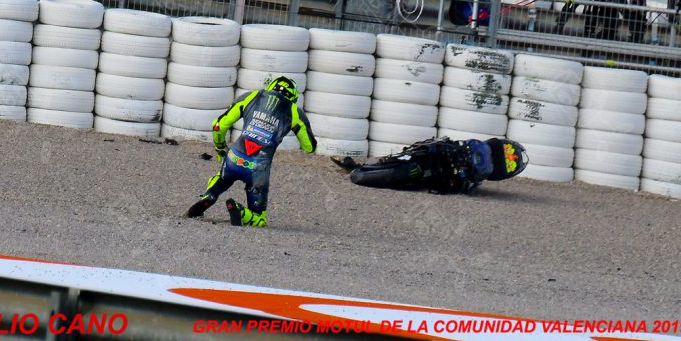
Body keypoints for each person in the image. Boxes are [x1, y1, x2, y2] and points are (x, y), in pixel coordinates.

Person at [185, 76, 317, 227]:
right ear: (293, 97)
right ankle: (241, 212)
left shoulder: (252, 96)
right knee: (260, 220)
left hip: (234, 158)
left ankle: (209, 195)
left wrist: (220, 148)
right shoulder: (294, 111)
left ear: (270, 87)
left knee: (223, 177)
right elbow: (309, 147)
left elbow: (218, 125)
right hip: (258, 169)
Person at [333, 137, 528, 195]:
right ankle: (391, 161)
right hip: (443, 164)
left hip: (445, 169)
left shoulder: (483, 147)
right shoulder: (482, 168)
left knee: (430, 148)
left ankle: (384, 163)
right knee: (429, 147)